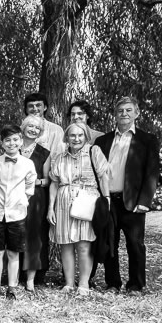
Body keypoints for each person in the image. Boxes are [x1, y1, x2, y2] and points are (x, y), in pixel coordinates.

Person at [94, 96, 160, 293]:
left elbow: (152, 172)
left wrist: (145, 201)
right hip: (108, 199)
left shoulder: (147, 140)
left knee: (135, 244)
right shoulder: (102, 141)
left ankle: (136, 285)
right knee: (109, 243)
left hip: (133, 201)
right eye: (120, 110)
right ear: (115, 115)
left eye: (128, 110)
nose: (124, 114)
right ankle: (113, 283)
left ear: (136, 113)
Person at [48, 123, 110, 295]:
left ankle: (83, 283)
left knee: (83, 245)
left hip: (86, 201)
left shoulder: (94, 152)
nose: (76, 139)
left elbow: (103, 177)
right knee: (66, 245)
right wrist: (50, 208)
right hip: (63, 202)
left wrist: (107, 199)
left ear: (86, 137)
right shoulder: (60, 157)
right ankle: (69, 283)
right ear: (66, 138)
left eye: (80, 135)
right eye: (72, 135)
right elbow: (54, 183)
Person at [0, 124, 37, 299]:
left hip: (17, 214)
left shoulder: (28, 164)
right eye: (7, 140)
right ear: (2, 143)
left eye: (15, 139)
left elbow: (30, 186)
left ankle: (12, 287)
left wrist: (21, 201)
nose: (11, 143)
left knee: (14, 252)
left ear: (21, 141)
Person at [18, 115, 51, 293]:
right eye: (30, 126)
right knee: (15, 233)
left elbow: (47, 180)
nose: (33, 129)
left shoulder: (44, 152)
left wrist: (35, 182)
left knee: (34, 236)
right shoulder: (13, 147)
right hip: (14, 197)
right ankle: (14, 274)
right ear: (23, 128)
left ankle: (31, 278)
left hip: (36, 199)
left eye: (37, 128)